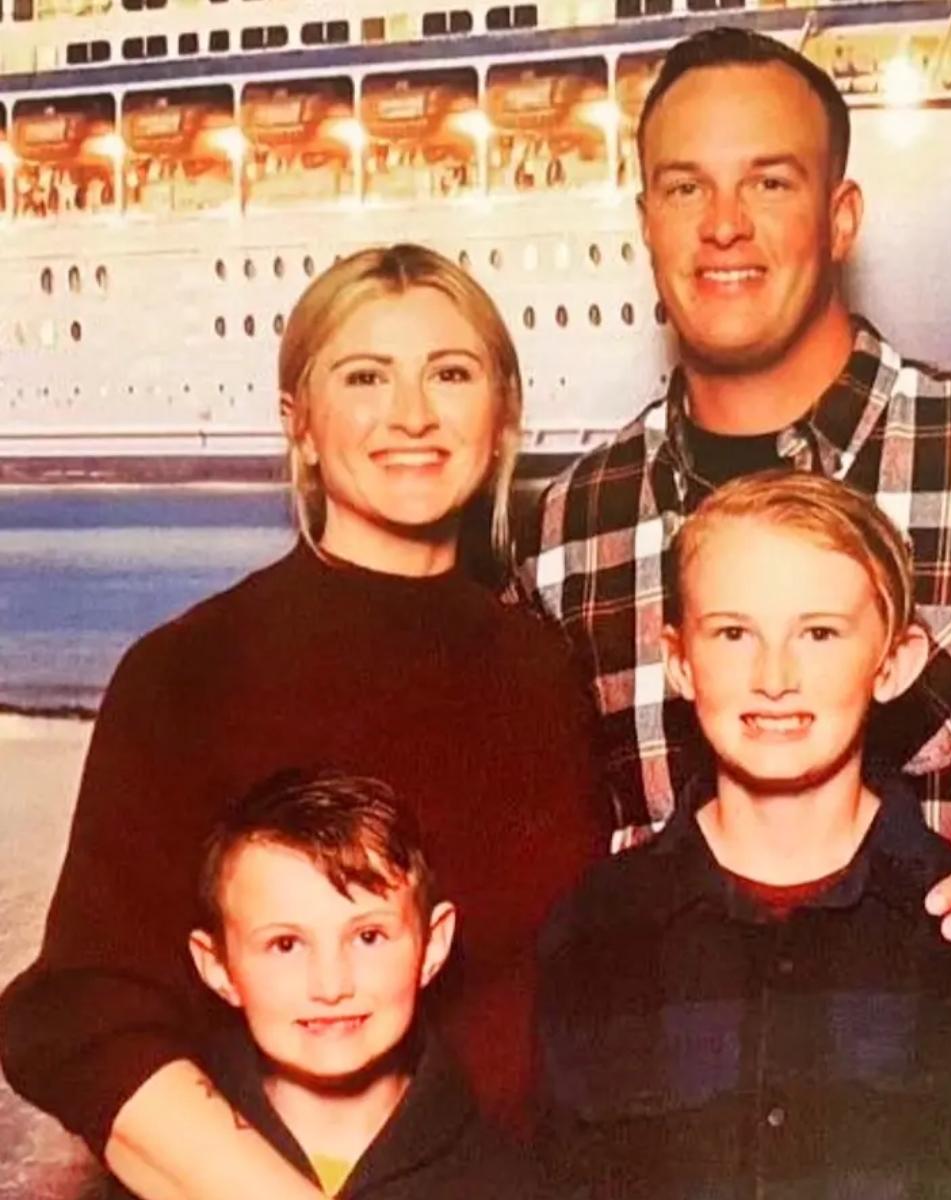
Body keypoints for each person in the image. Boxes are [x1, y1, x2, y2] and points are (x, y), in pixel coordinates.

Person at [518, 27, 951, 1197]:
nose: (723, 224)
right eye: (687, 187)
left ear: (840, 218)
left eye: (768, 181)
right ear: (644, 222)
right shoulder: (570, 525)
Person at [1, 244, 609, 1200]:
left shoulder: (548, 673)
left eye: (450, 374)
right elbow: (85, 1015)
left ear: (502, 421)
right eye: (365, 376)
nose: (412, 413)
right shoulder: (186, 671)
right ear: (302, 425)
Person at [537, 471, 951, 1197]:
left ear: (893, 663)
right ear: (679, 660)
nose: (775, 676)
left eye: (820, 633)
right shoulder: (593, 932)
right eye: (734, 633)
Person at [105, 768, 547, 1200]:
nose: (331, 985)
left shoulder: (508, 1180)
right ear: (217, 967)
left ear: (433, 946)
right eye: (285, 945)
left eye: (368, 937)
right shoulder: (159, 1160)